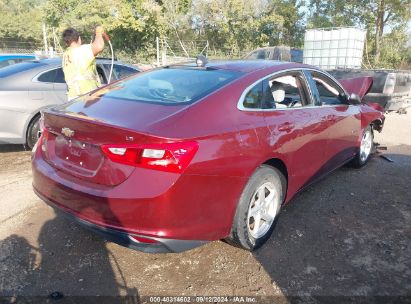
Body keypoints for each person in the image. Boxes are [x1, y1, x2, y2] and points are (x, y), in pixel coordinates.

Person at [62, 26, 105, 100]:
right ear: (79, 39)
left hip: (73, 96)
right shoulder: (80, 51)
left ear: (66, 42)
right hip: (86, 96)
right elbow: (99, 46)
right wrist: (98, 33)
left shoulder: (66, 55)